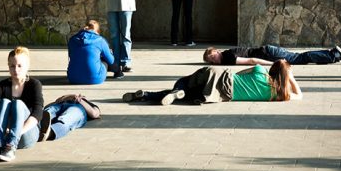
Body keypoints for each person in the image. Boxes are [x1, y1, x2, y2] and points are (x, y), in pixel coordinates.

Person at [122, 59, 302, 105]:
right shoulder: (278, 94)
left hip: (220, 75)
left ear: (272, 68)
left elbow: (239, 73)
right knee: (187, 96)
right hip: (221, 94)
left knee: (183, 82)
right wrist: (291, 77)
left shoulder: (259, 70)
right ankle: (149, 95)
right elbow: (299, 95)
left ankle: (146, 95)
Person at [0, 46, 46, 162]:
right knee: (4, 102)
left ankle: (11, 147)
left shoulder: (34, 84)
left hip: (25, 133)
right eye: (12, 66)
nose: (16, 70)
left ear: (27, 66)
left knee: (18, 104)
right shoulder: (1, 86)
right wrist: (5, 131)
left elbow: (38, 113)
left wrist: (16, 132)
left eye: (19, 66)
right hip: (4, 134)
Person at [203, 44, 341, 66]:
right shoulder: (227, 54)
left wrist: (273, 64)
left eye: (213, 56)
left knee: (300, 58)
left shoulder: (228, 57)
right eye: (211, 61)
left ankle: (334, 54)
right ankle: (333, 55)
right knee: (300, 58)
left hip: (270, 55)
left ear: (217, 51)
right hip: (269, 51)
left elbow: (252, 60)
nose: (214, 60)